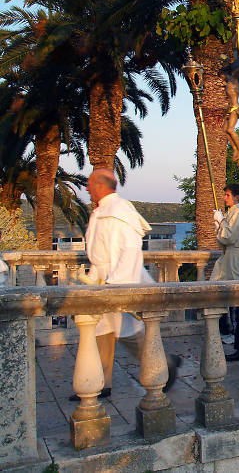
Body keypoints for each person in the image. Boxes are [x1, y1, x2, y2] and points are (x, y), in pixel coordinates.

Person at [73, 169, 180, 400]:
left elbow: (131, 251)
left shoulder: (120, 211)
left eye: (90, 184)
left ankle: (166, 366)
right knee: (100, 332)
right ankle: (101, 383)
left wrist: (116, 284)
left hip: (118, 280)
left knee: (127, 333)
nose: (87, 188)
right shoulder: (102, 210)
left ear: (101, 186)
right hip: (101, 279)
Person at [211, 183, 239, 361]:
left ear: (236, 197)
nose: (225, 198)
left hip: (235, 257)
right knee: (216, 290)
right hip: (228, 257)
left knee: (235, 294)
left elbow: (229, 237)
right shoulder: (232, 212)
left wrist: (221, 222)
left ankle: (232, 331)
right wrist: (219, 223)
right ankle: (225, 328)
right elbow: (222, 238)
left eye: (228, 195)